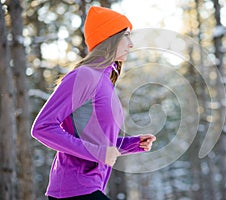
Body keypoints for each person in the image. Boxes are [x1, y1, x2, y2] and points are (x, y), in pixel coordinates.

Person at [31, 6, 156, 200]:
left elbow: (95, 141)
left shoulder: (105, 81)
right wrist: (99, 153)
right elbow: (42, 127)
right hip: (72, 190)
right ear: (110, 38)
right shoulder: (84, 76)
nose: (131, 44)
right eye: (126, 36)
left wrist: (132, 144)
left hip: (90, 188)